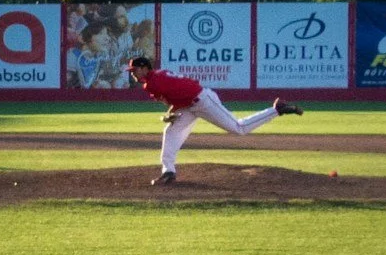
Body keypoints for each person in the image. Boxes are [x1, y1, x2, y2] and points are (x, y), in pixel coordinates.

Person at [126, 56, 301, 184]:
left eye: (134, 70)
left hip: (203, 101)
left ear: (144, 68)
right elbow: (178, 95)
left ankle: (276, 109)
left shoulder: (153, 83)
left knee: (239, 128)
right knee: (171, 132)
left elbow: (182, 94)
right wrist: (172, 112)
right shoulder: (156, 77)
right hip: (189, 105)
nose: (132, 73)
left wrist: (171, 112)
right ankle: (168, 171)